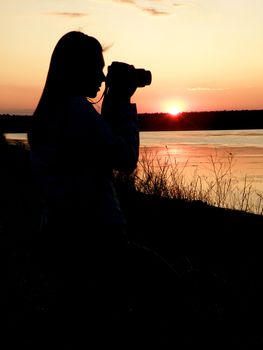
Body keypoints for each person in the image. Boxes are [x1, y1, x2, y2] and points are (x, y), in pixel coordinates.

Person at [27, 31, 140, 347]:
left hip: (59, 234)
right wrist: (124, 104)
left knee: (75, 327)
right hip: (97, 239)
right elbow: (125, 159)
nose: (103, 77)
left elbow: (96, 148)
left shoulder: (50, 114)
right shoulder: (76, 110)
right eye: (98, 68)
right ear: (77, 69)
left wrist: (113, 104)